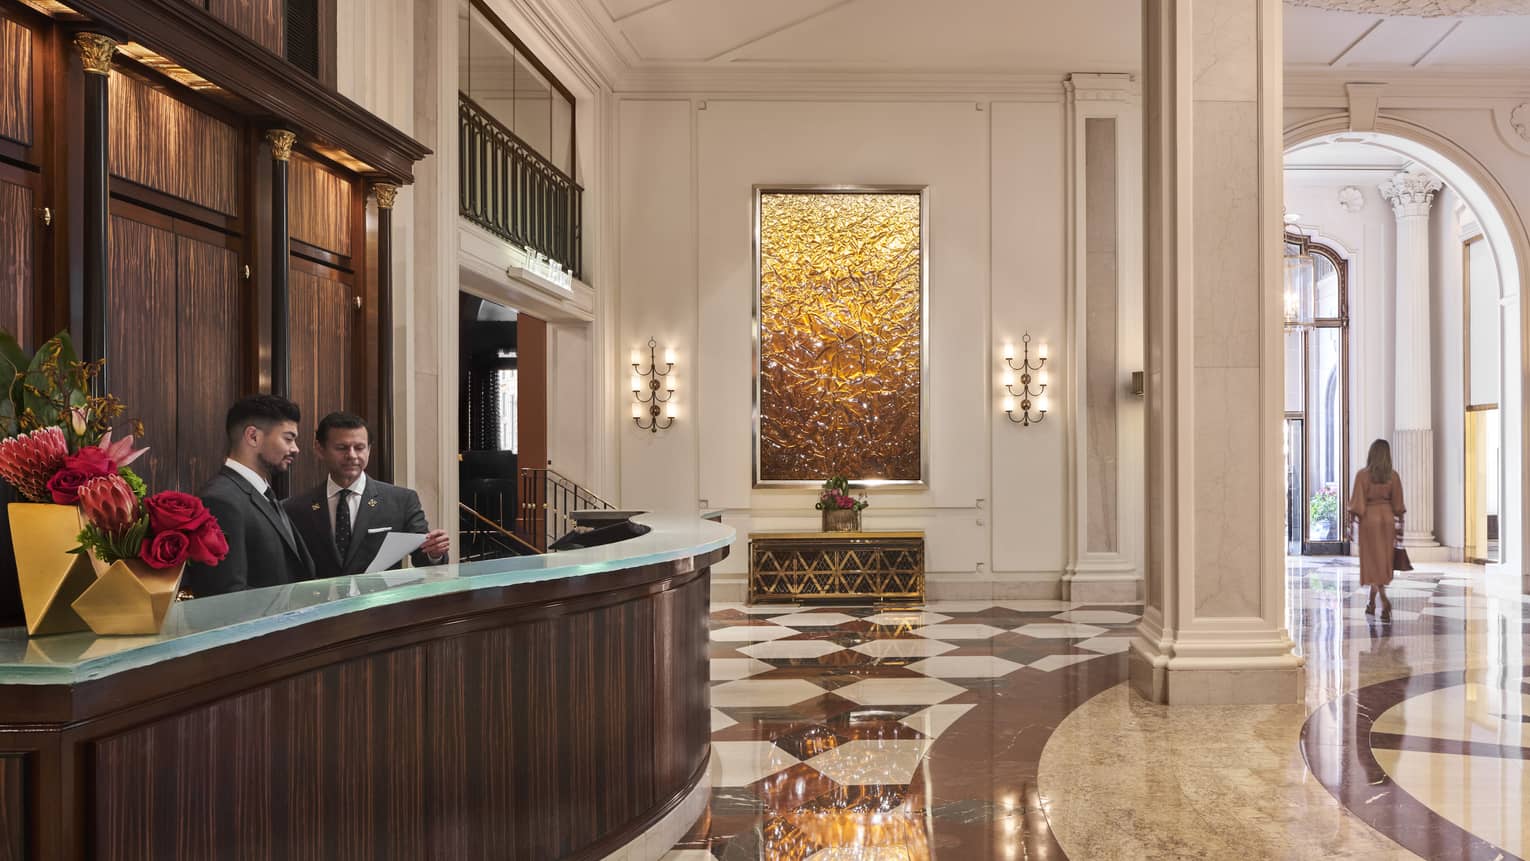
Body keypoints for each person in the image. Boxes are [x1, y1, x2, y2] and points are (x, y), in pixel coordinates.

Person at [283, 412, 450, 580]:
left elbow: (424, 559)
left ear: (369, 449)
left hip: (380, 603)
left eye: (360, 448)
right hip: (320, 603)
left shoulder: (401, 501)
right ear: (320, 449)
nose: (352, 456)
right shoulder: (294, 508)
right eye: (342, 448)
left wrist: (435, 553)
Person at [184, 395, 317, 597]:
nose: (295, 449)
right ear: (253, 436)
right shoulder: (221, 500)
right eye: (288, 438)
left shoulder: (262, 492)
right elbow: (226, 594)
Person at [1348, 439, 1406, 622]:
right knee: (1382, 563)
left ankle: (1382, 599)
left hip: (1369, 522)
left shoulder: (1362, 476)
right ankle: (1372, 602)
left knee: (1372, 563)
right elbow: (1398, 505)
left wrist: (1351, 525)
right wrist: (1399, 529)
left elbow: (1357, 503)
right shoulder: (1393, 477)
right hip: (1387, 521)